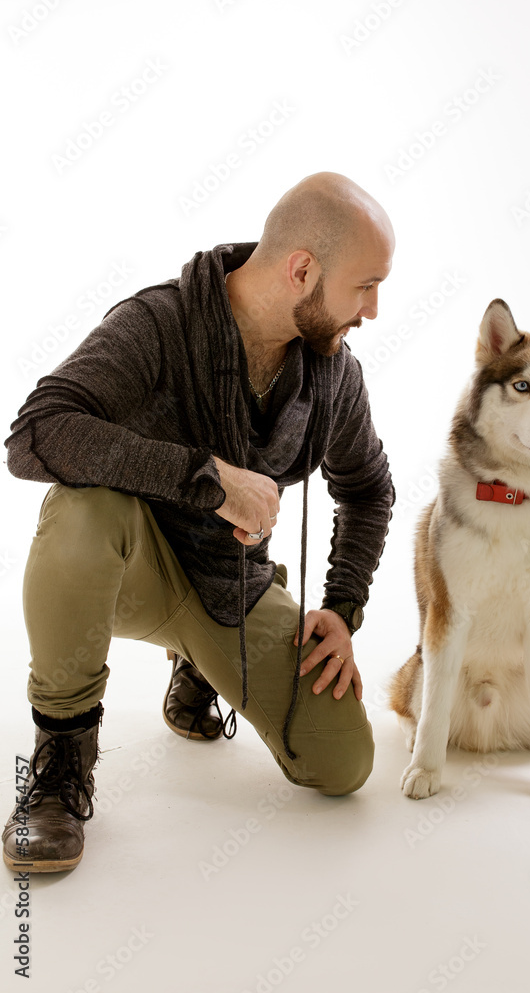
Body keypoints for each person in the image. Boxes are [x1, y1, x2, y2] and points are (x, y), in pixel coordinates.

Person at [2, 171, 395, 872]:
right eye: (364, 285)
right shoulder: (160, 323)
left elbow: (367, 489)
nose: (372, 309)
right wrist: (207, 480)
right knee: (83, 505)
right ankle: (59, 759)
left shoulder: (334, 374)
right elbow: (36, 435)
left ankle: (197, 664)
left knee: (341, 764)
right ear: (302, 269)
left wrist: (342, 607)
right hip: (130, 570)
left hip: (229, 587)